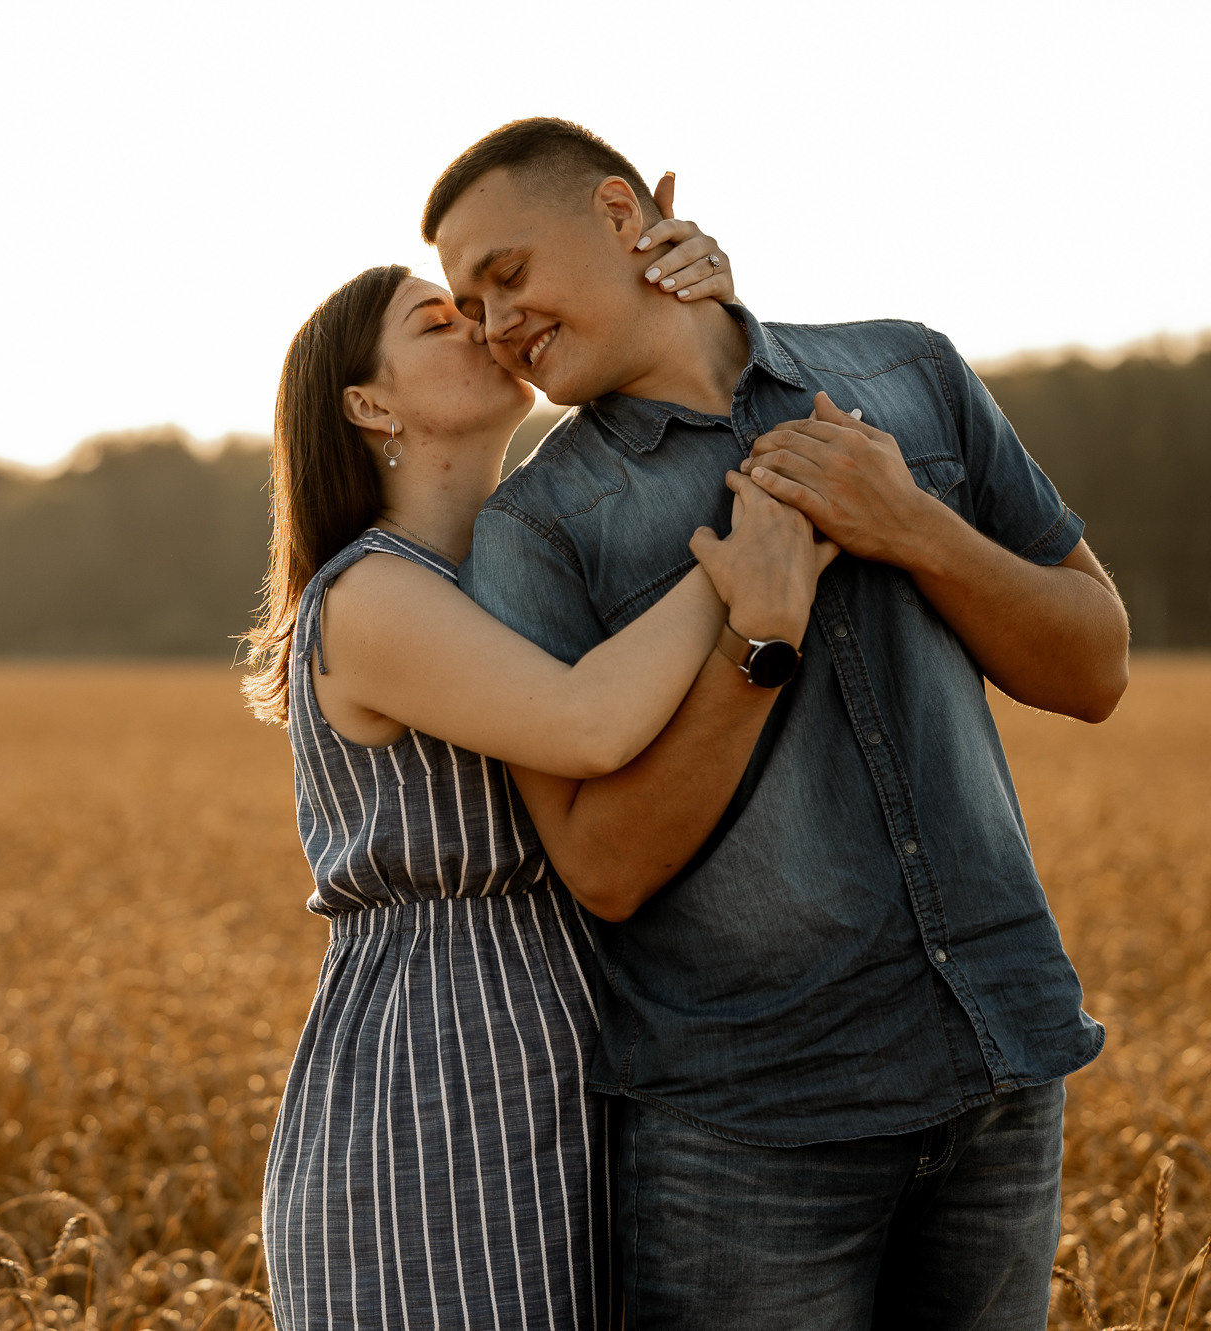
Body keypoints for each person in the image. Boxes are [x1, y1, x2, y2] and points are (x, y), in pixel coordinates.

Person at [424, 117, 1131, 1328]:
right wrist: (750, 647)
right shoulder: (536, 528)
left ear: (616, 215)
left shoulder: (907, 372)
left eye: (506, 277)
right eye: (466, 304)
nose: (495, 327)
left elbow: (1093, 663)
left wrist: (910, 527)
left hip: (999, 1061)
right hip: (745, 1128)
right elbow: (598, 865)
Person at [245, 195, 838, 1330]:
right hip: (432, 1071)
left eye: (480, 307)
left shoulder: (530, 561)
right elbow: (585, 725)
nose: (483, 326)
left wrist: (669, 291)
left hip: (573, 1045)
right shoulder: (367, 595)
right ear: (369, 405)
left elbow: (666, 382)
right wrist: (747, 552)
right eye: (437, 321)